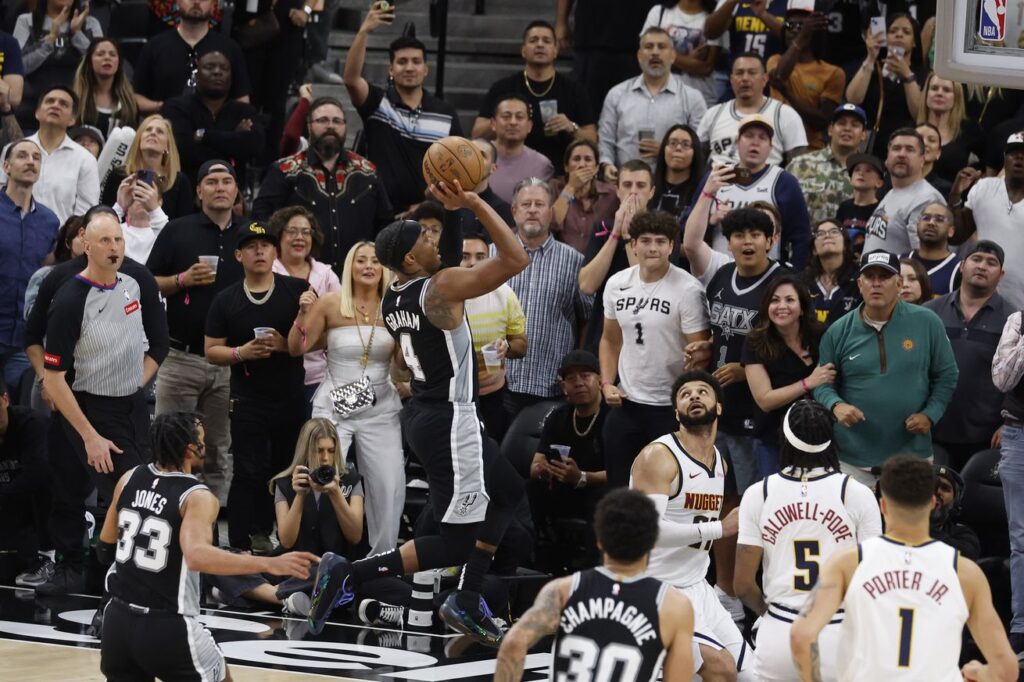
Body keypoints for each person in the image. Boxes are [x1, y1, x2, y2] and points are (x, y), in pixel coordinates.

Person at [306, 179, 529, 645]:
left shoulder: (393, 299)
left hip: (429, 413)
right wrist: (473, 202)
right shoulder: (440, 287)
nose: (435, 240)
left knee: (506, 490)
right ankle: (349, 572)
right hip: (451, 419)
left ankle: (465, 601)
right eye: (426, 239)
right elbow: (516, 259)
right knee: (453, 542)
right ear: (409, 259)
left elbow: (408, 362)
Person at [96, 411, 318, 682]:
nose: (206, 446)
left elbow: (105, 545)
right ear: (190, 449)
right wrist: (269, 563)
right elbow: (197, 556)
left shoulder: (128, 478)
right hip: (167, 625)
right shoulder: (197, 496)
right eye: (202, 440)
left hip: (117, 622)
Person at [790, 455, 1018, 682]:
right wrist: (979, 672)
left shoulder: (848, 563)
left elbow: (802, 636)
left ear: (883, 505)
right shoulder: (965, 572)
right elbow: (1006, 671)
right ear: (931, 502)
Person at [40, 210, 168, 595]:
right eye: (106, 241)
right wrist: (90, 437)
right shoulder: (69, 299)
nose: (115, 248)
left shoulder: (136, 280)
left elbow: (158, 345)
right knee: (126, 495)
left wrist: (134, 387)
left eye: (119, 240)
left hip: (132, 405)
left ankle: (123, 580)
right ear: (86, 245)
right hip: (88, 410)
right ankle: (116, 586)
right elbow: (53, 379)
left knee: (140, 495)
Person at [734, 399, 881, 682]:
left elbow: (742, 584)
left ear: (784, 438)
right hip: (839, 629)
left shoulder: (759, 493)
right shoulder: (856, 493)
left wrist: (771, 614)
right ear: (830, 440)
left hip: (781, 631)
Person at [495, 488, 695, 681]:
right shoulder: (673, 606)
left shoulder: (563, 590)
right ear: (653, 542)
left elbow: (514, 642)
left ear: (599, 540)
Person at [630, 370, 753, 681]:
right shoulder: (657, 457)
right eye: (685, 394)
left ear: (719, 407)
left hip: (696, 587)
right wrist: (719, 529)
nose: (694, 396)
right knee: (720, 669)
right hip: (654, 588)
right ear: (676, 412)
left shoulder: (720, 462)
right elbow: (649, 533)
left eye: (702, 391)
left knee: (752, 675)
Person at [287, 240, 405, 558]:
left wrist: (411, 337)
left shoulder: (394, 306)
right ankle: (310, 557)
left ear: (384, 268)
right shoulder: (331, 303)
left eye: (375, 260)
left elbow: (404, 365)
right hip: (333, 405)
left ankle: (382, 560)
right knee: (318, 476)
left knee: (389, 483)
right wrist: (302, 312)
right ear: (349, 266)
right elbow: (297, 347)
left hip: (380, 405)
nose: (368, 266)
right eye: (360, 260)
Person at [146, 160, 247, 506]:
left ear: (237, 191)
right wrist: (181, 280)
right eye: (212, 181)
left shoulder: (251, 236)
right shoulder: (177, 230)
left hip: (230, 361)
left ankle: (212, 527)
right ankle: (168, 516)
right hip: (180, 357)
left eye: (227, 181)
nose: (220, 187)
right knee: (171, 441)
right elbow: (148, 283)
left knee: (219, 448)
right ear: (199, 191)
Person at [812, 250, 958, 488]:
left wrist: (931, 414)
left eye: (885, 276)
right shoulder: (838, 331)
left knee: (909, 526)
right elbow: (822, 383)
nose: (876, 283)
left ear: (899, 283)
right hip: (852, 459)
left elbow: (947, 375)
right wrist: (835, 405)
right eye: (870, 277)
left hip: (912, 456)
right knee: (855, 526)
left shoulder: (927, 322)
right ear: (860, 284)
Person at [205, 221, 307, 552]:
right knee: (248, 469)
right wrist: (241, 352)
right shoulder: (226, 299)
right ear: (238, 255)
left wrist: (283, 345)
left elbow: (315, 340)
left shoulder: (297, 290)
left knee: (287, 468)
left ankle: (284, 538)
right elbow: (211, 350)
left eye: (265, 245)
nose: (259, 251)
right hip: (247, 397)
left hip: (290, 395)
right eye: (251, 246)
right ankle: (239, 541)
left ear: (275, 251)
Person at [599, 209, 710, 487]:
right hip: (627, 402)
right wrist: (605, 383)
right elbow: (610, 340)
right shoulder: (617, 284)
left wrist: (698, 355)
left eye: (661, 241)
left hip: (668, 406)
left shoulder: (688, 289)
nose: (652, 248)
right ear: (633, 244)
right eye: (645, 240)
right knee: (620, 489)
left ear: (672, 246)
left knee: (667, 490)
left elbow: (701, 353)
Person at [685, 206, 785, 495]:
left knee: (751, 502)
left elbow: (797, 352)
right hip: (717, 411)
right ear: (728, 243)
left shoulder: (785, 284)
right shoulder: (722, 275)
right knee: (713, 501)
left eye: (756, 235)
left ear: (770, 241)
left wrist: (748, 371)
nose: (748, 242)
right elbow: (723, 331)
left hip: (758, 416)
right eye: (739, 235)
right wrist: (708, 345)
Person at [343, 3, 462, 213]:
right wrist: (364, 30)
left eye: (416, 62)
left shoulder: (445, 114)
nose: (409, 67)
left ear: (425, 69)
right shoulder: (378, 103)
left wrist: (429, 203)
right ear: (391, 69)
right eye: (402, 62)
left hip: (427, 214)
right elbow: (351, 80)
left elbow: (457, 166)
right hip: (380, 212)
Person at [255, 96, 393, 270]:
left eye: (337, 121)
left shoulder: (368, 172)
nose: (330, 126)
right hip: (298, 276)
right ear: (309, 126)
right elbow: (261, 216)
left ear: (345, 127)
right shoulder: (284, 170)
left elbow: (385, 223)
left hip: (356, 277)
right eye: (322, 120)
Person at [505, 178, 593, 413]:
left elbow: (587, 319)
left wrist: (574, 369)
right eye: (526, 204)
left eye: (539, 204)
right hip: (499, 383)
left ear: (551, 211)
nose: (532, 210)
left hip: (551, 384)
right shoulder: (494, 255)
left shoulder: (574, 261)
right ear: (514, 211)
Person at [926, 241, 1012, 470]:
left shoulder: (1013, 320)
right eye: (976, 259)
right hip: (931, 430)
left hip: (986, 438)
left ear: (1001, 274)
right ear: (963, 266)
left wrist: (1010, 423)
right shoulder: (929, 313)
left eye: (991, 262)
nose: (982, 266)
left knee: (976, 504)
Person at [471, 21, 597, 176]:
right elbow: (476, 135)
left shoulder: (574, 89)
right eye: (533, 40)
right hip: (507, 169)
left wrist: (572, 127)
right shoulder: (503, 88)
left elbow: (592, 139)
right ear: (523, 50)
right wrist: (503, 122)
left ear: (556, 50)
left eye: (546, 41)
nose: (540, 45)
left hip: (559, 174)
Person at [690, 113, 812, 268]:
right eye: (749, 136)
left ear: (771, 147)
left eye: (762, 138)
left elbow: (801, 237)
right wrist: (711, 220)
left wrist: (794, 278)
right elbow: (686, 228)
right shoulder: (716, 178)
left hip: (768, 279)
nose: (755, 142)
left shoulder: (784, 181)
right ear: (737, 142)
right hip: (718, 272)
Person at [742, 275, 834, 476]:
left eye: (789, 300)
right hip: (774, 441)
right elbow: (764, 400)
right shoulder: (755, 342)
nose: (781, 306)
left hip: (820, 436)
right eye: (774, 300)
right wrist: (808, 382)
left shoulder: (822, 335)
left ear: (802, 308)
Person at [527, 350, 606, 560]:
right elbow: (535, 464)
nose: (579, 383)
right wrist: (544, 471)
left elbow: (625, 474)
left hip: (601, 490)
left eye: (586, 376)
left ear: (600, 381)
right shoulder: (558, 416)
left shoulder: (614, 417)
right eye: (571, 379)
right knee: (529, 488)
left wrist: (580, 477)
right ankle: (534, 559)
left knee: (600, 499)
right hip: (564, 488)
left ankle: (593, 568)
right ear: (563, 388)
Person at [598, 27, 706, 179]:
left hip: (673, 185)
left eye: (661, 47)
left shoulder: (693, 98)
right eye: (648, 47)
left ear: (673, 56)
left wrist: (666, 151)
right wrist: (607, 164)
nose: (655, 52)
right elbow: (605, 140)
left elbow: (700, 147)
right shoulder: (617, 94)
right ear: (639, 56)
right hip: (626, 185)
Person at [0, 138, 59, 390]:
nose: (30, 161)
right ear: (6, 166)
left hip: (24, 338)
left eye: (36, 158)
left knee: (19, 416)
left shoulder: (50, 221)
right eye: (22, 156)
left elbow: (46, 274)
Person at [270, 206, 341, 406]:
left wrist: (289, 346)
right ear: (278, 236)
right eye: (292, 231)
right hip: (275, 375)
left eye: (306, 232)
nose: (299, 237)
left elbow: (340, 323)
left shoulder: (326, 274)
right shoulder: (267, 271)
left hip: (319, 376)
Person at [163, 49, 263, 188]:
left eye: (224, 68)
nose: (217, 72)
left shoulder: (245, 111)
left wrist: (204, 135)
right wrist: (233, 140)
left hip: (233, 191)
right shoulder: (177, 107)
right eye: (209, 67)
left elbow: (254, 147)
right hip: (187, 188)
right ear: (196, 75)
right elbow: (182, 150)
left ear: (232, 76)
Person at [461, 233, 527, 442]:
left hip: (493, 396)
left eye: (480, 256)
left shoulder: (504, 294)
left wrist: (506, 347)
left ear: (490, 259)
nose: (472, 262)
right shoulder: (443, 296)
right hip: (453, 398)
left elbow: (522, 345)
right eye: (465, 256)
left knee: (492, 459)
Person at [0, 86, 100, 224]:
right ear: (37, 113)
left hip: (59, 241)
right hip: (11, 235)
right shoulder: (12, 150)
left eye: (63, 104)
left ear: (72, 119)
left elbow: (86, 213)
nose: (55, 105)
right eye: (50, 101)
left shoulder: (85, 160)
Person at [131, 0, 251, 114]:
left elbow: (242, 100)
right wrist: (165, 107)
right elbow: (135, 98)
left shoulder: (230, 48)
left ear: (213, 5)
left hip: (215, 130)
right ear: (177, 2)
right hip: (166, 129)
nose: (197, 2)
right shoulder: (154, 46)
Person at [951, 132, 1024, 312]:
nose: (1020, 158)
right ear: (1004, 157)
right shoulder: (984, 187)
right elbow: (955, 237)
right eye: (1014, 153)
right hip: (979, 297)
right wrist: (954, 197)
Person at [697, 52, 807, 168]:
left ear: (764, 79)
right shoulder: (713, 114)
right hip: (718, 183)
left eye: (752, 73)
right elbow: (698, 159)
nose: (745, 78)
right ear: (731, 79)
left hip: (765, 182)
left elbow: (798, 167)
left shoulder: (785, 115)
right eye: (739, 73)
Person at [554, 0, 660, 116]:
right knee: (586, 113)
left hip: (637, 42)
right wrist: (561, 21)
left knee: (634, 114)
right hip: (592, 38)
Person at [845, 12, 926, 159]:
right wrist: (871, 57)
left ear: (915, 41)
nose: (899, 35)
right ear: (885, 37)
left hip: (904, 148)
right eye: (893, 31)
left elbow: (919, 114)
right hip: (871, 147)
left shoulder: (922, 74)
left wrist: (907, 75)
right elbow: (853, 99)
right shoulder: (872, 68)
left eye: (906, 32)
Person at [992, 306, 1024, 655]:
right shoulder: (1018, 320)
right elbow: (1002, 379)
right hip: (1019, 435)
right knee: (1020, 538)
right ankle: (1021, 627)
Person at [767, 9, 845, 150]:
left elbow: (821, 121)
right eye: (789, 26)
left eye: (801, 27)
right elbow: (779, 76)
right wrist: (801, 37)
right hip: (774, 146)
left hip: (809, 149)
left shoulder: (833, 73)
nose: (794, 31)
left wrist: (788, 93)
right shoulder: (775, 60)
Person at [0, 376, 52, 585]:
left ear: (5, 399)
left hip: (33, 498)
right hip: (9, 498)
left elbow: (37, 473)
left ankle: (48, 558)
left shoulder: (33, 424)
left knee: (45, 484)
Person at [863, 128, 945, 256]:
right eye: (896, 148)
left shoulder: (927, 199)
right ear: (887, 159)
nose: (902, 154)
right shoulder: (891, 193)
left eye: (910, 149)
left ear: (922, 160)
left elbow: (926, 259)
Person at [13, 0, 102, 116]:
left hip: (77, 109)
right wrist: (50, 39)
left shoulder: (90, 23)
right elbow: (18, 67)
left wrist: (77, 34)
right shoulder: (26, 21)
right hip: (32, 107)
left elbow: (101, 65)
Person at [99, 114, 194, 221]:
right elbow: (105, 216)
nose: (153, 133)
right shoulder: (119, 175)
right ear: (139, 140)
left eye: (160, 131)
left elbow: (184, 225)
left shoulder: (180, 182)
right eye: (148, 130)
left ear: (167, 146)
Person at [786, 104, 867, 227]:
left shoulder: (872, 173)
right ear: (830, 130)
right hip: (808, 243)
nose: (847, 129)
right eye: (841, 123)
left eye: (855, 125)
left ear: (863, 135)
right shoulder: (800, 165)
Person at [641, 0, 721, 107]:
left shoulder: (714, 20)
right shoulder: (659, 12)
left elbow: (706, 67)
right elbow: (646, 53)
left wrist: (663, 53)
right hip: (658, 96)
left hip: (700, 100)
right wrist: (687, 60)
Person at [550, 138, 619, 253]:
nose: (582, 165)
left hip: (599, 264)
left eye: (588, 159)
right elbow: (551, 224)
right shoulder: (555, 188)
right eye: (576, 159)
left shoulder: (611, 195)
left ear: (596, 168)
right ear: (566, 167)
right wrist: (571, 187)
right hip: (562, 261)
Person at [915, 72, 982, 185]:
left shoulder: (970, 131)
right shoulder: (910, 131)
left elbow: (985, 166)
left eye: (946, 90)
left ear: (956, 97)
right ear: (926, 94)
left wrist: (975, 173)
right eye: (934, 88)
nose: (939, 93)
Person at [488, 95, 554, 205]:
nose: (513, 122)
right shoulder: (478, 156)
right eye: (506, 116)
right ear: (493, 123)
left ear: (529, 126)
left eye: (519, 117)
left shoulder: (543, 165)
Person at [71, 38, 138, 135]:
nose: (107, 58)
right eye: (100, 54)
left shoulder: (129, 104)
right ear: (90, 61)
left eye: (112, 54)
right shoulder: (75, 100)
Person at [802, 220, 862, 328]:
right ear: (814, 249)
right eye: (820, 234)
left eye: (834, 232)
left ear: (845, 244)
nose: (827, 236)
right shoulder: (802, 282)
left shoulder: (860, 280)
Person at [902, 202, 960, 297]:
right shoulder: (899, 261)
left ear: (951, 231)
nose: (931, 223)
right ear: (917, 225)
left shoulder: (958, 269)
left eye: (939, 220)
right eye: (926, 218)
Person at [113, 166, 167, 264]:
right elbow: (96, 237)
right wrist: (119, 206)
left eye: (147, 193)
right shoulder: (115, 229)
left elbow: (171, 240)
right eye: (137, 193)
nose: (142, 199)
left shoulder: (162, 230)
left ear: (159, 202)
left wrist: (154, 210)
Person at [835, 153, 884, 259]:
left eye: (868, 170)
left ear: (879, 183)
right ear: (850, 179)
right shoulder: (844, 207)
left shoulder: (881, 210)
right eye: (857, 170)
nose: (861, 173)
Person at [650, 123, 702, 221]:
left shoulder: (701, 192)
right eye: (673, 143)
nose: (678, 148)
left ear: (695, 152)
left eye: (685, 144)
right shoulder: (649, 187)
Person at [930, 464, 980, 561]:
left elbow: (964, 557)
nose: (937, 492)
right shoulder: (899, 524)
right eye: (931, 486)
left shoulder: (964, 536)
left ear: (955, 502)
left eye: (945, 488)